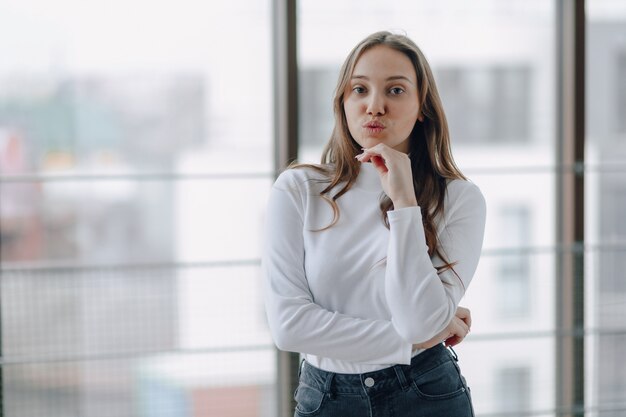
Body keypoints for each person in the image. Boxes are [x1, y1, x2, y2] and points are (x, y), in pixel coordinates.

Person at [262, 31, 486, 417]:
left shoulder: (460, 199)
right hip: (326, 399)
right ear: (343, 103)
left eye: (395, 90)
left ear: (422, 108)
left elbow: (418, 321)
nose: (375, 106)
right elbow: (289, 326)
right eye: (360, 90)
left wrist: (404, 203)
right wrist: (417, 340)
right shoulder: (298, 189)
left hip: (427, 394)